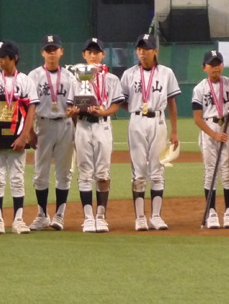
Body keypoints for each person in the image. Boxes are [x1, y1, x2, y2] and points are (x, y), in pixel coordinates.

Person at [120, 34, 180, 231]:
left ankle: (156, 216)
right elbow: (121, 100)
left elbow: (172, 102)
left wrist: (175, 131)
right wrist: (135, 109)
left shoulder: (166, 73)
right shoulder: (129, 74)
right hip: (136, 120)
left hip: (159, 120)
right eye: (139, 49)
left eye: (146, 48)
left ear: (155, 51)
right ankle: (140, 218)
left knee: (157, 170)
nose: (142, 52)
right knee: (138, 173)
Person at [66, 38, 124, 232]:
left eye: (96, 51)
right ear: (84, 55)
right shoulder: (75, 79)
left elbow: (116, 105)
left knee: (102, 173)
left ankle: (101, 215)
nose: (93, 55)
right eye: (89, 52)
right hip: (82, 126)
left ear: (103, 54)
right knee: (84, 173)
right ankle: (88, 217)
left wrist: (103, 112)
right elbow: (69, 107)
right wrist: (72, 112)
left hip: (103, 126)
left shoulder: (111, 79)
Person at [0, 40, 38, 234]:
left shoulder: (26, 82)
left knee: (17, 178)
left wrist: (25, 136)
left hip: (17, 138)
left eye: (3, 57)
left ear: (14, 58)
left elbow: (31, 111)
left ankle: (18, 220)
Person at [27, 34, 75, 231]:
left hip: (65, 124)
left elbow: (75, 103)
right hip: (43, 125)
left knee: (64, 172)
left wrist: (74, 110)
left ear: (61, 51)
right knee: (40, 174)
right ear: (42, 53)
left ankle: (60, 215)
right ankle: (41, 215)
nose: (51, 53)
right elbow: (28, 106)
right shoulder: (34, 76)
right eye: (48, 49)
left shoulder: (71, 77)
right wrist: (29, 130)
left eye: (55, 49)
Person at [192, 50, 229, 229]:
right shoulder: (199, 88)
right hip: (209, 130)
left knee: (228, 172)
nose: (215, 67)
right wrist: (214, 135)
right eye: (211, 64)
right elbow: (197, 118)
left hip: (227, 127)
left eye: (218, 63)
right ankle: (211, 212)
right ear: (204, 68)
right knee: (211, 172)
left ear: (223, 65)